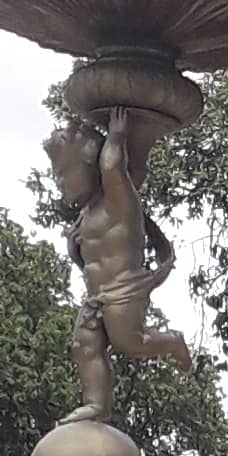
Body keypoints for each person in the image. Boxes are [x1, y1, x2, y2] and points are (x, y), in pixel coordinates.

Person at [46, 104, 191, 410]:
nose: (58, 182)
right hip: (97, 295)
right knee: (84, 346)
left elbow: (112, 167)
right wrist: (75, 249)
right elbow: (91, 263)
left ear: (89, 167)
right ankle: (95, 405)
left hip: (125, 290)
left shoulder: (118, 197)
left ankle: (172, 342)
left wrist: (117, 136)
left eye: (63, 173)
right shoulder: (86, 216)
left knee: (129, 343)